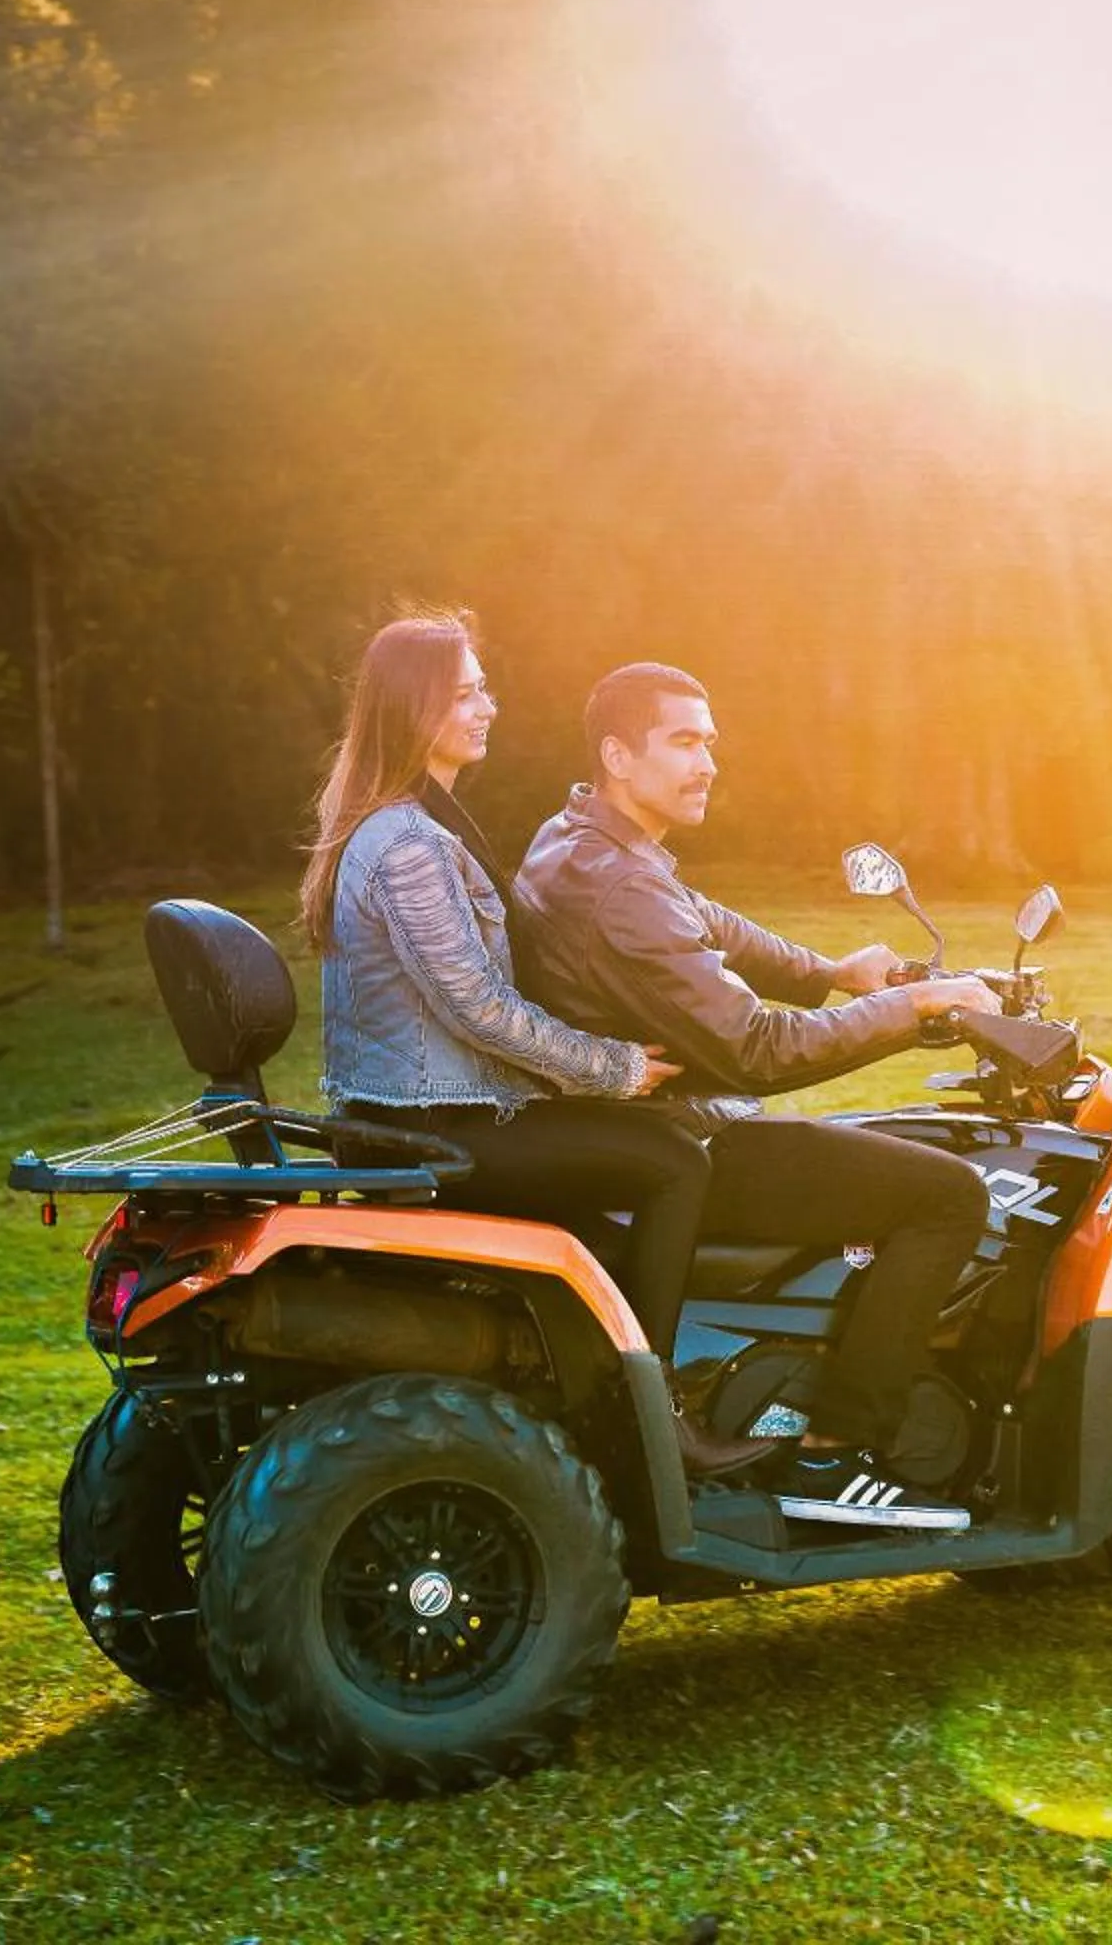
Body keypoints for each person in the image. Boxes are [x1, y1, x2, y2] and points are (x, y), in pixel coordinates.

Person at [514, 661, 1002, 1532]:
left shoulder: (578, 837)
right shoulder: (621, 885)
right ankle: (841, 1451)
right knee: (950, 1194)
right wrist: (912, 1003)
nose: (707, 763)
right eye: (685, 742)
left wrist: (831, 974)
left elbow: (699, 918)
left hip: (637, 1124)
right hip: (677, 1136)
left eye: (711, 743)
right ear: (619, 755)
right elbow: (757, 1051)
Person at [301, 610, 776, 1480]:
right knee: (674, 1164)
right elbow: (479, 1008)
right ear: (417, 708)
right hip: (442, 1123)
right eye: (469, 691)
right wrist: (617, 1069)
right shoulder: (407, 842)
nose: (491, 706)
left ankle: (580, 1383)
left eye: (486, 688)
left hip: (421, 1109)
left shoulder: (401, 823)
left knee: (617, 1191)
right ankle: (647, 1412)